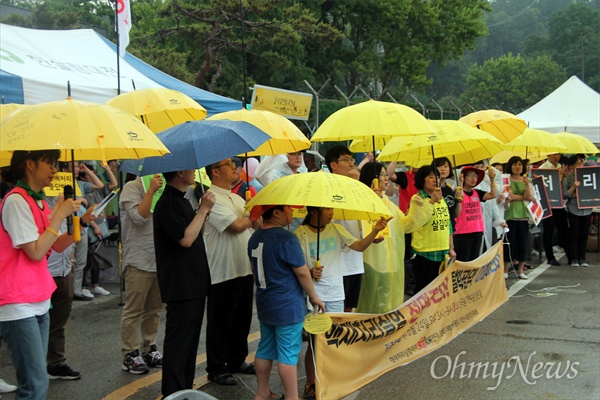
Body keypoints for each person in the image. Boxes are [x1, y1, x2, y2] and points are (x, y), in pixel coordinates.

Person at [0, 150, 93, 400]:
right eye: (50, 164)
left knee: (37, 379)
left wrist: (81, 222)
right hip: (17, 302)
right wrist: (60, 214)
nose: (55, 170)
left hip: (38, 298)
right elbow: (35, 251)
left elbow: (56, 244)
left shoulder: (39, 201)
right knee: (34, 384)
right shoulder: (16, 201)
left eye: (56, 164)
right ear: (29, 164)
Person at [294, 206, 389, 399]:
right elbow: (297, 265)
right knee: (315, 342)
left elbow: (359, 246)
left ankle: (332, 381)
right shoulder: (299, 234)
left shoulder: (336, 229)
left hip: (336, 294)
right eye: (327, 209)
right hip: (314, 297)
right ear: (314, 211)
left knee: (335, 341)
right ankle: (311, 383)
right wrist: (310, 271)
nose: (331, 213)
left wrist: (376, 230)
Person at [247, 204, 325, 400]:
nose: (292, 212)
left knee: (265, 347)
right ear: (276, 212)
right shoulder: (286, 238)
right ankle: (292, 397)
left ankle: (262, 391)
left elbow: (253, 268)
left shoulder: (254, 237)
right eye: (288, 209)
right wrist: (314, 296)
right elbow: (301, 271)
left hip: (265, 302)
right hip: (287, 305)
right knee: (288, 353)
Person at [153, 169, 215, 397]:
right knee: (179, 345)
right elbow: (186, 239)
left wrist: (202, 213)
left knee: (188, 345)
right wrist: (203, 209)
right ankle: (174, 392)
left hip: (193, 282)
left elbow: (196, 232)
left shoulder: (181, 200)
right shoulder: (168, 202)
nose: (194, 173)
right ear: (180, 172)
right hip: (181, 284)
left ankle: (184, 390)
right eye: (190, 169)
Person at [204, 158, 261, 386]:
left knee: (242, 318)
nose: (234, 167)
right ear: (216, 172)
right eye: (228, 164)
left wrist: (255, 209)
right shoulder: (211, 198)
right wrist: (250, 217)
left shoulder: (237, 197)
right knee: (221, 321)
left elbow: (254, 225)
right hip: (223, 270)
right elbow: (236, 226)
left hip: (243, 267)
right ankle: (216, 367)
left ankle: (237, 359)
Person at [356, 162, 433, 314]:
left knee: (387, 305)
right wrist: (372, 201)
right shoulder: (360, 201)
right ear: (373, 178)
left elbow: (405, 225)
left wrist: (419, 208)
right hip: (373, 262)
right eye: (383, 174)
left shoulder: (388, 203)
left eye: (386, 174)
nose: (386, 178)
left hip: (391, 264)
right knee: (370, 306)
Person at [119, 174, 164, 374]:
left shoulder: (164, 186)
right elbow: (139, 217)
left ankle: (149, 347)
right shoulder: (132, 187)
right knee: (133, 310)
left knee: (154, 309)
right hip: (138, 259)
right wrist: (151, 191)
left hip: (159, 259)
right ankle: (129, 353)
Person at [44, 196, 84, 380]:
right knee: (37, 323)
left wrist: (82, 221)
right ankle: (35, 365)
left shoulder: (69, 204)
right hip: (45, 272)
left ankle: (56, 362)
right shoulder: (36, 204)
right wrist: (59, 209)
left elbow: (64, 241)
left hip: (65, 268)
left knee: (58, 323)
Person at [324, 145, 363, 312]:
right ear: (333, 165)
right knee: (335, 306)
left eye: (352, 160)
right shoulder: (327, 186)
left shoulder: (358, 186)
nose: (351, 164)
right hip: (337, 257)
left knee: (349, 306)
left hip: (356, 256)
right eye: (346, 160)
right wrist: (352, 183)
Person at [410, 165, 452, 293]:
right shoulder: (417, 199)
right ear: (422, 179)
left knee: (439, 291)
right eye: (430, 177)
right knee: (423, 291)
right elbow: (418, 221)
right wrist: (432, 201)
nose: (435, 180)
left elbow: (447, 223)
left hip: (442, 251)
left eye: (437, 177)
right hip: (424, 252)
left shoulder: (441, 198)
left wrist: (451, 246)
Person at [453, 166, 499, 261]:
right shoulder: (458, 192)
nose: (473, 178)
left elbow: (493, 195)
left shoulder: (477, 193)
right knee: (463, 261)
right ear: (463, 177)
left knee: (474, 260)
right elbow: (458, 202)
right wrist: (460, 183)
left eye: (475, 176)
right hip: (462, 233)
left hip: (477, 231)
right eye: (470, 175)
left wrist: (492, 179)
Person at [503, 156, 534, 279]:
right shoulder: (506, 179)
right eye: (515, 164)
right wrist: (521, 196)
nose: (517, 167)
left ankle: (521, 270)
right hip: (509, 214)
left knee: (523, 242)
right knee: (509, 243)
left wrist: (526, 186)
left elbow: (528, 196)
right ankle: (505, 269)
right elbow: (508, 195)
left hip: (523, 215)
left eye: (520, 165)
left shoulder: (527, 180)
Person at [562, 155, 592, 268]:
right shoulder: (567, 179)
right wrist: (573, 188)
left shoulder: (588, 177)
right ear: (571, 166)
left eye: (581, 163)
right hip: (574, 210)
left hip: (587, 209)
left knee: (584, 235)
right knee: (574, 234)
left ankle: (582, 258)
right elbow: (564, 195)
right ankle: (574, 258)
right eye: (577, 164)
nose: (580, 166)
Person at [538, 153, 566, 266]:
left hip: (560, 203)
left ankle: (570, 253)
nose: (557, 157)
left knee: (563, 228)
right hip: (548, 203)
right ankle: (550, 256)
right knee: (548, 230)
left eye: (558, 154)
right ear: (548, 155)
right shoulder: (543, 169)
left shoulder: (560, 167)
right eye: (554, 154)